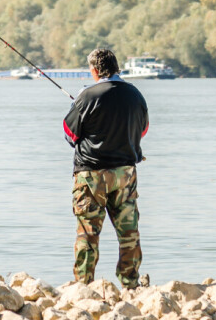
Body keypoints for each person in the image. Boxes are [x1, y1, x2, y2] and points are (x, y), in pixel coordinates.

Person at [63, 48, 149, 288]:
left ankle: (83, 286)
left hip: (90, 175)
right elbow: (142, 130)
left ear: (94, 70)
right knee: (129, 233)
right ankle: (131, 284)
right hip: (125, 174)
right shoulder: (136, 95)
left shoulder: (86, 96)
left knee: (88, 233)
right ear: (116, 67)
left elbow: (70, 134)